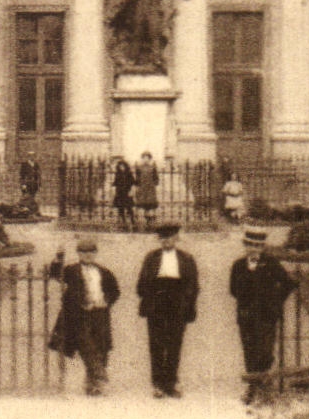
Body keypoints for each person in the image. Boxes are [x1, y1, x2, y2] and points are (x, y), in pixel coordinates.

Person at [229, 229, 296, 403]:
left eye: (258, 246)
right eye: (250, 245)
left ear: (263, 247)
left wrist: (275, 301)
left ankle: (263, 383)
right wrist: (246, 300)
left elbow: (289, 283)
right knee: (250, 351)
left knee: (265, 351)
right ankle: (253, 387)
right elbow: (233, 289)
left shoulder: (271, 263)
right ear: (245, 246)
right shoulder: (238, 265)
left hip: (267, 315)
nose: (254, 249)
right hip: (246, 315)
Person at [47, 238, 121, 396]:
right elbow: (55, 274)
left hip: (99, 312)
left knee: (100, 346)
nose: (87, 256)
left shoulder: (104, 272)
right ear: (79, 254)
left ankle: (93, 384)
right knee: (85, 343)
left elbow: (115, 291)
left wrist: (106, 301)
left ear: (95, 254)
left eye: (91, 252)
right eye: (84, 253)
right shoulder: (71, 270)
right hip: (78, 314)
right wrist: (58, 257)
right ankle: (99, 371)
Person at [136, 224, 198, 398]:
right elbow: (142, 282)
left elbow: (193, 285)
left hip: (177, 303)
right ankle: (157, 383)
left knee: (174, 344)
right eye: (163, 238)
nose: (166, 241)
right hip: (157, 302)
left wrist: (189, 306)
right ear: (159, 240)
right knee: (156, 344)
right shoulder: (152, 258)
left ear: (176, 239)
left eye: (170, 238)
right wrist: (148, 297)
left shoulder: (186, 258)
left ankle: (171, 382)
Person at [133, 151, 160, 229]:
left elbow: (156, 178)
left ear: (149, 159)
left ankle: (150, 219)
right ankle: (144, 218)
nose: (145, 160)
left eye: (147, 158)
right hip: (142, 187)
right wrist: (137, 186)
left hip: (150, 188)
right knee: (143, 203)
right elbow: (137, 178)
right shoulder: (139, 167)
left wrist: (154, 184)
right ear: (142, 159)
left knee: (150, 204)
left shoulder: (152, 167)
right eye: (144, 158)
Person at [111, 158, 136, 230]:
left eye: (123, 166)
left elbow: (133, 182)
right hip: (119, 192)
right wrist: (113, 185)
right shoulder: (117, 173)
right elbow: (115, 182)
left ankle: (132, 220)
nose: (121, 167)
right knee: (120, 207)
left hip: (127, 192)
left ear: (126, 166)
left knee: (129, 207)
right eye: (120, 166)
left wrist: (131, 190)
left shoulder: (129, 173)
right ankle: (123, 221)